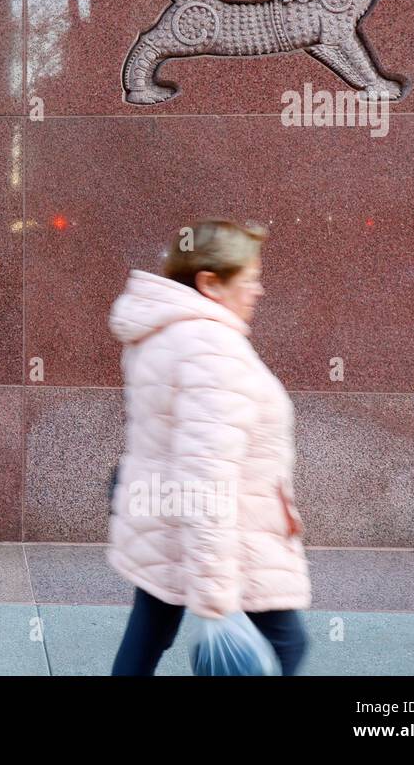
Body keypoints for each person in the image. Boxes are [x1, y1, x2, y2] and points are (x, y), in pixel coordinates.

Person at [107, 220, 310, 675]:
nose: (258, 291)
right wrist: (217, 596)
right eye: (251, 280)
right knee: (288, 645)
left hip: (166, 519)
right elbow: (207, 473)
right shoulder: (211, 347)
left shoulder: (163, 331)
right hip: (233, 535)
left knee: (149, 634)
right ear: (210, 283)